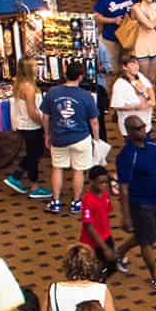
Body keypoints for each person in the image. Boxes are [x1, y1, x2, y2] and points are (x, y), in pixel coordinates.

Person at [107, 120, 156, 294]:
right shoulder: (127, 155)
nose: (143, 130)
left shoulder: (152, 146)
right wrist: (126, 215)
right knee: (146, 241)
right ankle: (155, 276)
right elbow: (124, 187)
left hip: (153, 200)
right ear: (128, 131)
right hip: (140, 204)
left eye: (144, 126)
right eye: (138, 128)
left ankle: (119, 253)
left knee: (146, 235)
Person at [40, 61, 101, 217]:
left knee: (57, 168)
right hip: (81, 138)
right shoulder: (86, 96)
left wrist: (47, 134)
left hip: (59, 137)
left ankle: (55, 201)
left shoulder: (52, 93)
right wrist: (96, 140)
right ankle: (76, 203)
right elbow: (94, 121)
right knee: (78, 171)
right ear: (80, 77)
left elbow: (45, 117)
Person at [5, 71, 49, 200]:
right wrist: (43, 123)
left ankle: (16, 176)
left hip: (25, 124)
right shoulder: (29, 87)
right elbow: (32, 111)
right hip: (31, 125)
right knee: (34, 154)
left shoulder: (20, 85)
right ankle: (33, 186)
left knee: (33, 152)